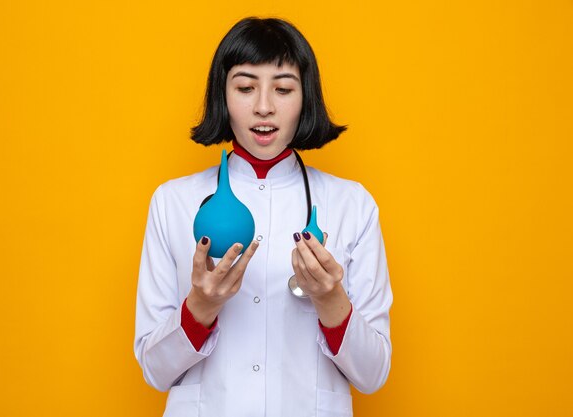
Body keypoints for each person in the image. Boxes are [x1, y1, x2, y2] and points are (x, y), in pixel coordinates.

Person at [134, 17, 393, 417]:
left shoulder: (351, 204)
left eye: (283, 88)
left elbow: (373, 374)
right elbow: (154, 370)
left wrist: (330, 298)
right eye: (245, 87)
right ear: (223, 95)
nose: (264, 106)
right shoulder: (173, 202)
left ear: (305, 97)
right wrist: (201, 305)